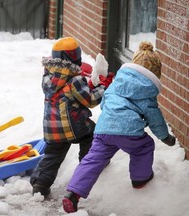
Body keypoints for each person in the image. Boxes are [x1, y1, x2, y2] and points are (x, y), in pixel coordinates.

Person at [62, 41, 176, 213]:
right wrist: (164, 136)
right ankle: (140, 179)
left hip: (104, 130)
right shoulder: (147, 91)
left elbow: (105, 102)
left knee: (93, 159)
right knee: (144, 146)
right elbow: (155, 118)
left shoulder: (117, 83)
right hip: (130, 133)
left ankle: (73, 193)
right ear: (155, 74)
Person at [30, 37, 114, 198]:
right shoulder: (75, 79)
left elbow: (67, 95)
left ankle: (40, 185)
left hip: (52, 127)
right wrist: (104, 86)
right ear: (74, 57)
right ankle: (89, 163)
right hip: (74, 126)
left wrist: (87, 85)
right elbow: (90, 100)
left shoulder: (48, 76)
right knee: (91, 134)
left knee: (52, 155)